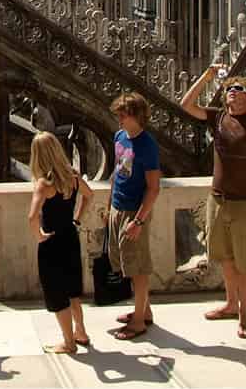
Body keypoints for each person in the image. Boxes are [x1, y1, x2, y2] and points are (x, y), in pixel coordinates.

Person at [181, 68, 246, 339]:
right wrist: (207, 75)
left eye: (238, 90)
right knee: (224, 257)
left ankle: (245, 315)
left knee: (244, 262)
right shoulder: (218, 118)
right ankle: (230, 304)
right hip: (218, 200)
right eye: (228, 90)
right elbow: (186, 104)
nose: (232, 94)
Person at [28, 131, 93, 353]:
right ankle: (81, 331)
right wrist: (77, 218)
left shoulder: (44, 184)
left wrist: (38, 236)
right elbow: (89, 195)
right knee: (72, 290)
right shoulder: (72, 177)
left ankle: (68, 342)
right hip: (70, 237)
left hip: (52, 242)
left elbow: (32, 216)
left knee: (57, 293)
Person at [106, 93, 161, 341]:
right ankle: (144, 311)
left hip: (134, 211)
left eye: (123, 114)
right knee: (124, 263)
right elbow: (117, 173)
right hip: (118, 207)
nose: (118, 118)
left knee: (138, 269)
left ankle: (138, 322)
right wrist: (110, 206)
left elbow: (153, 188)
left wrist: (138, 220)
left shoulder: (147, 145)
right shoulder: (120, 137)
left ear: (136, 116)